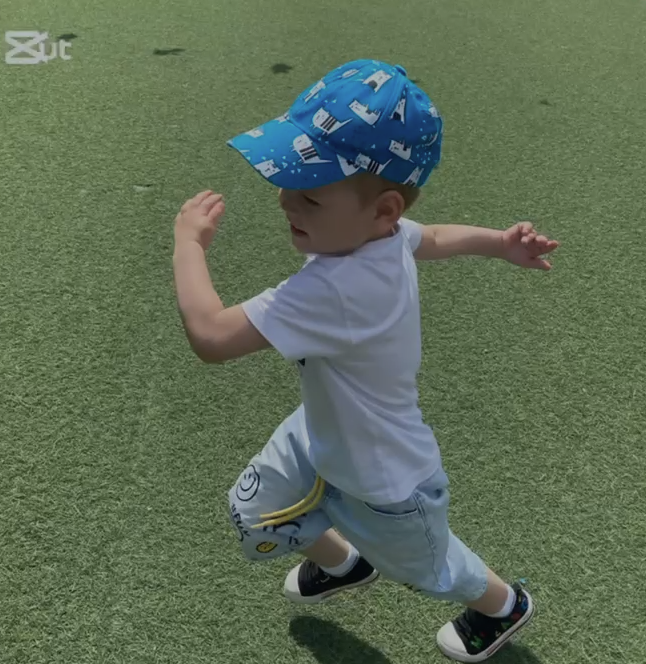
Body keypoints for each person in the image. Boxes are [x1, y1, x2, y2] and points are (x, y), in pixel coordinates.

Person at [172, 59, 558, 663]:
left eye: (309, 193)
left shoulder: (338, 288)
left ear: (383, 209)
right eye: (287, 181)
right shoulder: (385, 237)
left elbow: (212, 337)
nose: (285, 201)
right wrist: (498, 244)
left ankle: (503, 605)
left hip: (386, 478)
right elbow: (432, 237)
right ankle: (345, 565)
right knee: (256, 511)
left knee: (432, 569)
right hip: (322, 431)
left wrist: (188, 245)